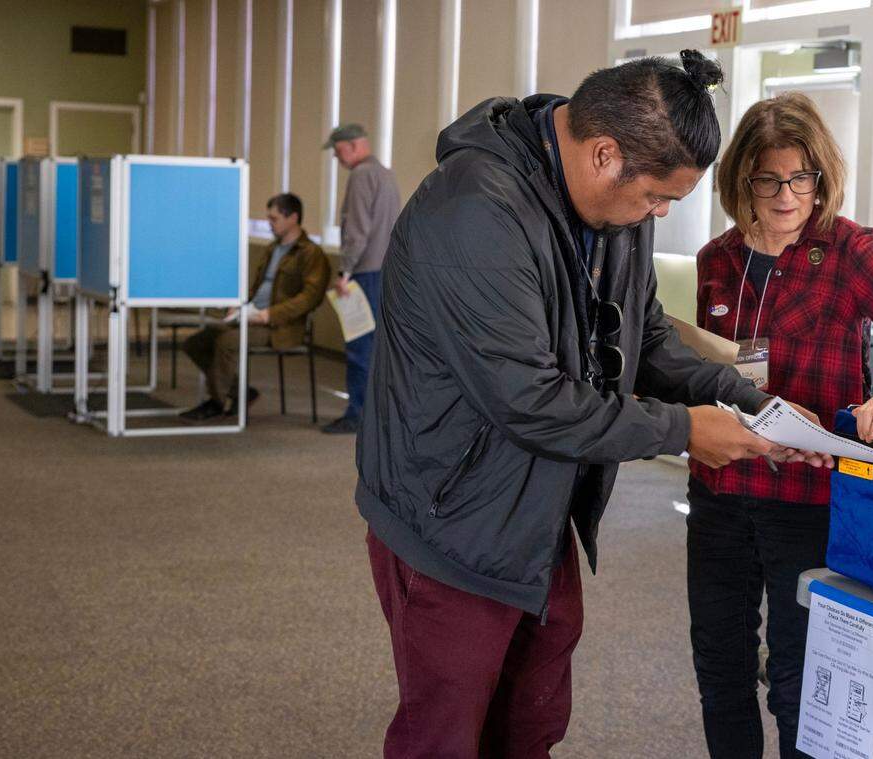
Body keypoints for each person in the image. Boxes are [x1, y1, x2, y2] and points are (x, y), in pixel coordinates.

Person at [355, 52, 833, 758]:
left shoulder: (615, 208)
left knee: (530, 723)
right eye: (656, 198)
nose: (662, 214)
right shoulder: (475, 212)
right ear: (605, 154)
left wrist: (749, 401)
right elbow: (531, 400)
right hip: (447, 519)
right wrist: (683, 430)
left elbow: (644, 340)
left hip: (537, 511)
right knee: (445, 737)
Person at [687, 91, 873, 758]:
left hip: (807, 501)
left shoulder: (849, 251)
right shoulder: (716, 261)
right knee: (720, 668)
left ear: (820, 176)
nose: (787, 195)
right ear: (743, 181)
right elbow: (704, 368)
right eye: (769, 178)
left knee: (798, 679)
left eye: (801, 177)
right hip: (721, 489)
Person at [180, 193, 329, 420]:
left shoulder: (311, 254)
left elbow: (309, 297)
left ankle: (217, 402)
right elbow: (257, 288)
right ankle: (241, 393)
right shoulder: (272, 249)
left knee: (227, 342)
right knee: (197, 342)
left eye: (274, 218)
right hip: (252, 316)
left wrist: (270, 315)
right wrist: (240, 306)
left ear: (293, 218)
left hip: (280, 326)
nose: (269, 224)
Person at [320, 123, 401, 434]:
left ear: (353, 146)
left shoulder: (361, 175)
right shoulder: (386, 174)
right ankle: (378, 415)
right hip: (386, 270)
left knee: (359, 346)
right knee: (379, 347)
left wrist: (345, 272)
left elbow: (357, 230)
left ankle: (358, 414)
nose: (337, 159)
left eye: (338, 151)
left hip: (365, 273)